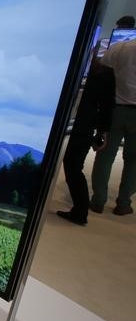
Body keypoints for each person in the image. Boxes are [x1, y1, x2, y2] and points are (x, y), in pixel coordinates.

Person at [57, 59, 115, 225]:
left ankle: (80, 211)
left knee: (72, 168)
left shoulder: (75, 63)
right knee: (74, 167)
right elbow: (107, 106)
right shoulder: (103, 72)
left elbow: (106, 106)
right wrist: (102, 132)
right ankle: (80, 211)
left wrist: (102, 132)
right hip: (83, 125)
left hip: (73, 124)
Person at [90, 15, 136, 215]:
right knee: (134, 160)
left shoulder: (120, 47)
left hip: (115, 109)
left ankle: (98, 199)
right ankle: (124, 203)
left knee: (105, 155)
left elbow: (100, 70)